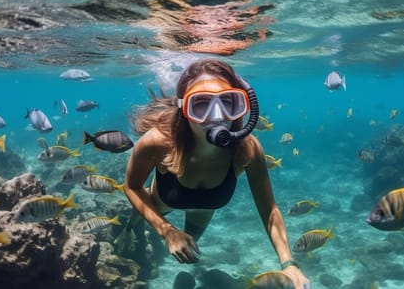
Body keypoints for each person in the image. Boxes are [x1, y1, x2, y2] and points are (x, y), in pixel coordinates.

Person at [121, 58, 310, 288]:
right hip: (165, 198)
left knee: (188, 255)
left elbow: (269, 210)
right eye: (200, 104)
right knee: (139, 217)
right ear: (184, 109)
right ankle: (129, 228)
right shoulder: (158, 141)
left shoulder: (247, 149)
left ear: (239, 107)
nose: (217, 115)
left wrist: (288, 263)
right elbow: (132, 186)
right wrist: (167, 231)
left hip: (205, 208)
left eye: (228, 102)